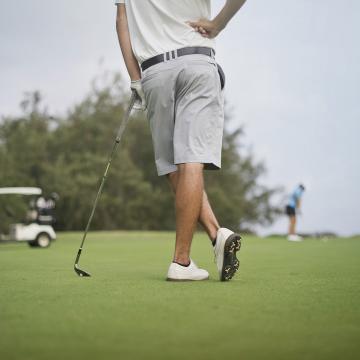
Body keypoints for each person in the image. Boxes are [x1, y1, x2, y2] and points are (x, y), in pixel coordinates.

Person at [115, 0, 247, 281]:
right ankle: (182, 261)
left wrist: (135, 79)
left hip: (154, 72)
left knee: (173, 167)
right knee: (191, 160)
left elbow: (122, 21)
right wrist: (217, 24)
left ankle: (215, 235)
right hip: (197, 61)